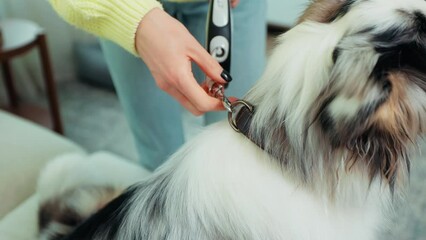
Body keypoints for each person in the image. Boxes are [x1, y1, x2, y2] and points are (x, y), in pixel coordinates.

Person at [48, 0, 266, 170]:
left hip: (229, 5)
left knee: (239, 153)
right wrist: (139, 22)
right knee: (160, 161)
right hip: (127, 11)